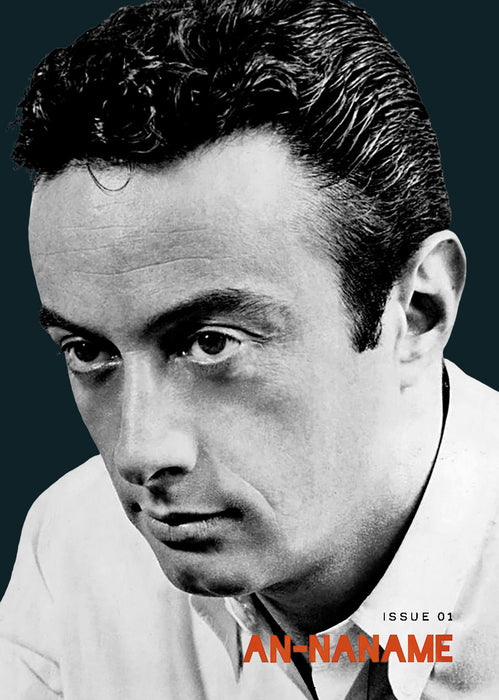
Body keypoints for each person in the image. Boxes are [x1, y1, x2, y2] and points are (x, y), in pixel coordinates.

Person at [1, 0, 498, 698]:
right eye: (88, 352)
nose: (139, 453)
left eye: (210, 343)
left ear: (416, 313)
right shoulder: (74, 546)